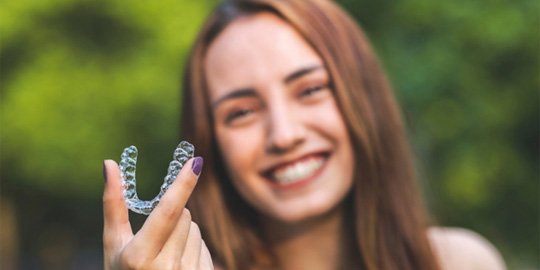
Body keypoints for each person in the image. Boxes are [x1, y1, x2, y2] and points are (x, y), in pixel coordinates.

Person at [102, 0, 507, 269]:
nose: (284, 134)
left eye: (310, 89)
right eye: (241, 112)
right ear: (212, 144)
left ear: (364, 99)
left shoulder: (458, 261)